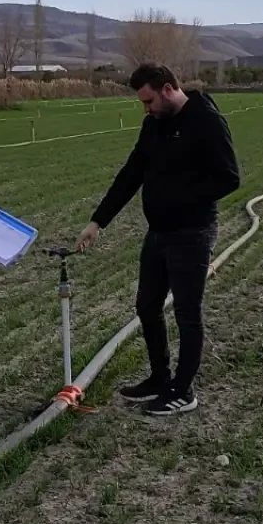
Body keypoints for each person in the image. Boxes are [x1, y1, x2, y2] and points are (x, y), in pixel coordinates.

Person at [75, 64, 240, 416]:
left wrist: (181, 197)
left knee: (186, 312)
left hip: (192, 233)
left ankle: (183, 390)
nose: (145, 108)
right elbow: (131, 173)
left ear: (167, 89)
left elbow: (229, 178)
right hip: (159, 232)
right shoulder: (153, 125)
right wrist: (97, 221)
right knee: (147, 306)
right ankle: (160, 378)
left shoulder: (206, 121)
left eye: (148, 100)